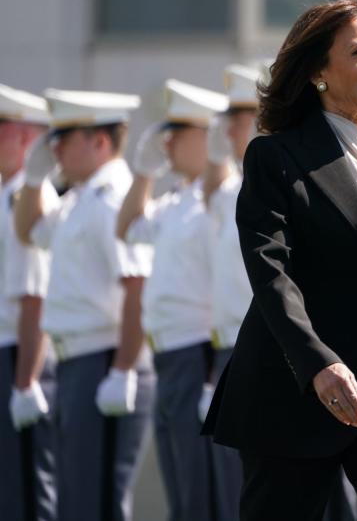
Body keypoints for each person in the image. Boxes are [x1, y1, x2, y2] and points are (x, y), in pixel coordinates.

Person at [202, 0, 357, 520]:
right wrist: (317, 362)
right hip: (296, 385)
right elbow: (271, 272)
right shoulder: (277, 156)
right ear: (318, 71)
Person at [14, 89, 155, 521]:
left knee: (98, 501)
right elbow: (30, 232)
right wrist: (35, 180)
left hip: (105, 361)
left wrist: (123, 371)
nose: (54, 149)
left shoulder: (112, 198)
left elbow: (137, 288)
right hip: (79, 363)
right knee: (78, 499)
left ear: (99, 142)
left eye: (66, 137)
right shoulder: (80, 198)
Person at [115, 79, 228, 520]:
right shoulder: (176, 199)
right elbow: (126, 228)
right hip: (168, 355)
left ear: (206, 137)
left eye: (177, 134)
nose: (168, 144)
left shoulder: (214, 203)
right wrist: (143, 173)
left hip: (198, 352)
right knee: (181, 486)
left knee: (201, 489)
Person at [198, 63, 260, 521]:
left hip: (263, 350)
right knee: (234, 492)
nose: (230, 129)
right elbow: (210, 194)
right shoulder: (233, 189)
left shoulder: (275, 183)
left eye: (238, 119)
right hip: (228, 352)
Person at [0, 84, 57, 521]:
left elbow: (34, 295)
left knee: (27, 484)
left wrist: (25, 382)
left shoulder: (30, 202)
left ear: (25, 138)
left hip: (21, 358)